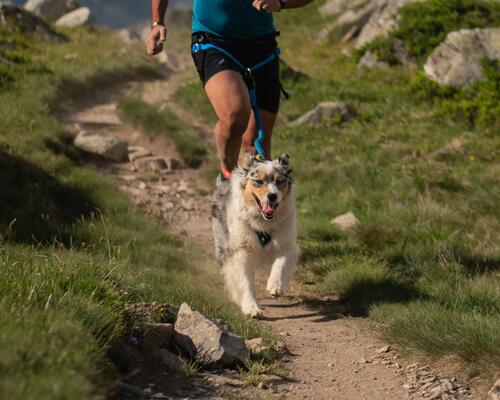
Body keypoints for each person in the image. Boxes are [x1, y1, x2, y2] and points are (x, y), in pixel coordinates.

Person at [147, 0, 314, 184]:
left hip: (262, 48)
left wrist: (281, 2)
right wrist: (157, 23)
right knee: (235, 116)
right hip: (213, 42)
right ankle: (227, 175)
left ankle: (252, 208)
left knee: (256, 151)